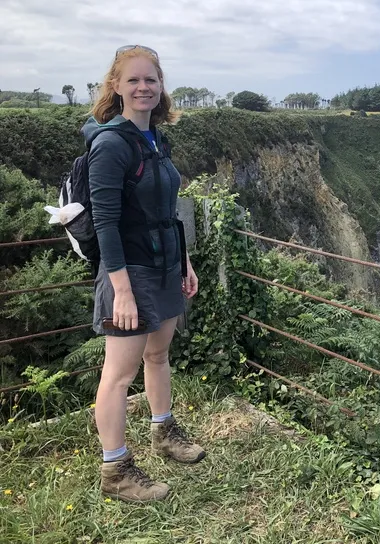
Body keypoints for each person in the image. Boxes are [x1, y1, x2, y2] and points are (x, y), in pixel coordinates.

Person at [86, 45, 203, 503]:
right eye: (133, 79)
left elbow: (167, 212)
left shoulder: (155, 139)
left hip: (165, 265)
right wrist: (122, 291)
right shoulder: (111, 144)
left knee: (158, 355)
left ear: (160, 85)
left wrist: (184, 262)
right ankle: (115, 470)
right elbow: (105, 223)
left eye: (150, 79)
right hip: (129, 272)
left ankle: (163, 432)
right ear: (116, 86)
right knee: (118, 375)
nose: (143, 87)